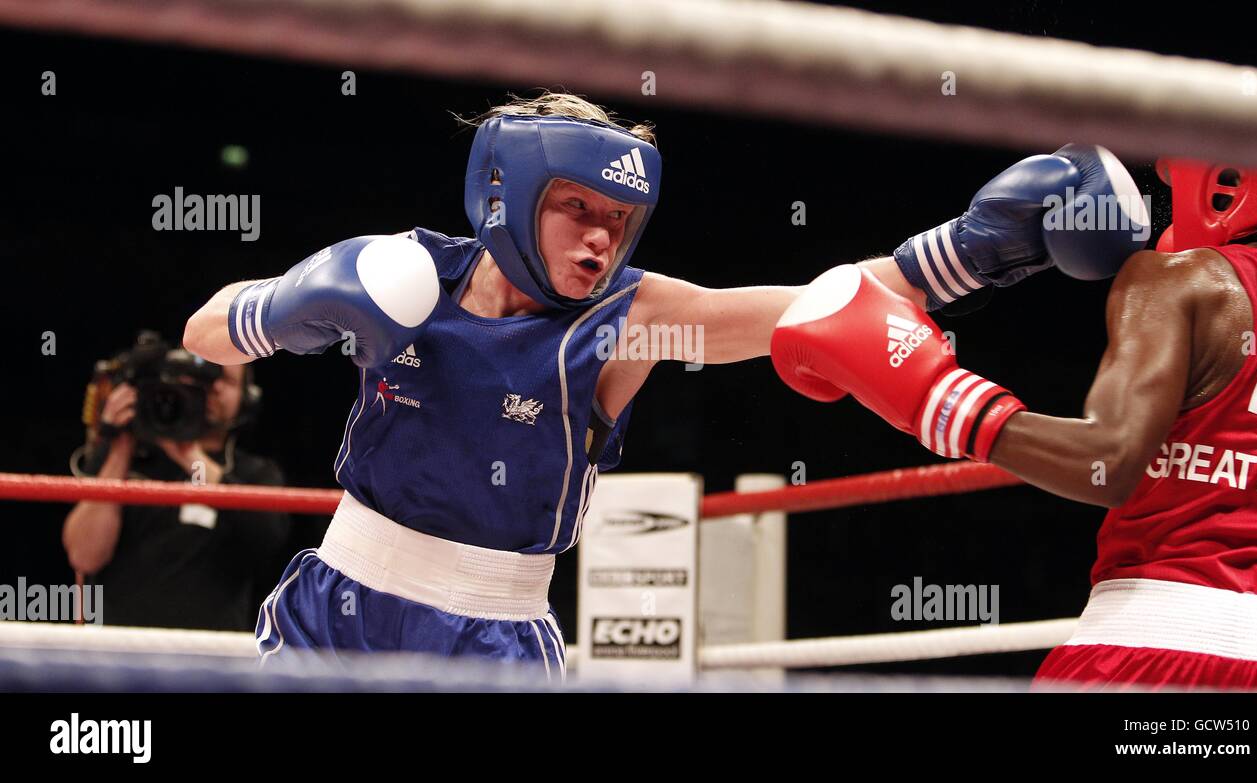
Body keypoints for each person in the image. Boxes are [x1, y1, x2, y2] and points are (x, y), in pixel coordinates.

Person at [183, 90, 1132, 677]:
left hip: (487, 637)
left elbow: (806, 308)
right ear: (507, 196)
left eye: (621, 218)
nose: (602, 238)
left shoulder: (629, 322)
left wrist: (973, 250)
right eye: (577, 209)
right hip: (332, 602)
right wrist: (287, 304)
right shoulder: (402, 275)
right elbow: (205, 333)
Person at [772, 157, 1257, 690]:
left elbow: (1106, 463)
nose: (1163, 185)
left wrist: (937, 398)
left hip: (1150, 641)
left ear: (1227, 180)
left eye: (1173, 173)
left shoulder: (1177, 277)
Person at [64, 335, 292, 631]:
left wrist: (189, 455)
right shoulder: (124, 459)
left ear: (247, 398)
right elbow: (84, 556)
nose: (210, 388)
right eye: (203, 375)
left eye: (223, 378)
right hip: (118, 657)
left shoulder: (254, 474)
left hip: (210, 661)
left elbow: (269, 541)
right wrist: (119, 447)